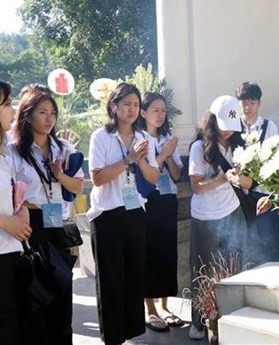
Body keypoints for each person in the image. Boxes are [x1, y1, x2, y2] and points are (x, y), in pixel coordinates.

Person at [8, 89, 84, 345]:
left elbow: (77, 187)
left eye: (53, 113)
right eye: (42, 112)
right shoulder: (14, 151)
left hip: (58, 224)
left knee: (62, 290)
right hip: (32, 224)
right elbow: (10, 192)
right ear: (27, 116)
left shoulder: (63, 148)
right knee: (36, 294)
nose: (49, 118)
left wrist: (59, 175)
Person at [87, 83, 160, 345]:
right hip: (107, 214)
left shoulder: (146, 140)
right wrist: (128, 159)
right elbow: (97, 178)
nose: (132, 109)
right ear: (114, 106)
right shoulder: (101, 136)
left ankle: (132, 333)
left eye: (136, 105)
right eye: (127, 104)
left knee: (133, 275)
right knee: (111, 279)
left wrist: (139, 159)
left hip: (134, 212)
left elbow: (153, 179)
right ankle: (113, 338)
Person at [188, 95, 249, 340]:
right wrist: (223, 179)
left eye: (231, 128)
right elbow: (197, 186)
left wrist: (240, 179)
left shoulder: (238, 145)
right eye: (223, 126)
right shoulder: (198, 147)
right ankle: (199, 321)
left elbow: (247, 181)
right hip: (204, 216)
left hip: (232, 210)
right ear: (212, 121)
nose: (227, 133)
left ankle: (230, 315)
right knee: (202, 268)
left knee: (234, 264)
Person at [235, 81, 279, 263]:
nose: (248, 107)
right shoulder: (234, 128)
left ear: (259, 103)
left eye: (252, 102)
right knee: (241, 240)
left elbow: (274, 159)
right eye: (244, 103)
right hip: (238, 194)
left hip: (262, 191)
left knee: (268, 240)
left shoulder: (268, 126)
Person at [138, 92, 183, 332]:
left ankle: (166, 305)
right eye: (155, 110)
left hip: (168, 198)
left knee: (168, 252)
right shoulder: (139, 139)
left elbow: (176, 174)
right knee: (150, 252)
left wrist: (171, 153)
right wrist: (163, 153)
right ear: (143, 113)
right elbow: (146, 171)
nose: (160, 114)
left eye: (163, 110)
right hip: (149, 199)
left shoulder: (167, 137)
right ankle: (150, 308)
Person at [0, 81, 32, 345]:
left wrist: (20, 214)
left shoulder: (4, 155)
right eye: (8, 104)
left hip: (10, 253)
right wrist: (4, 221)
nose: (14, 110)